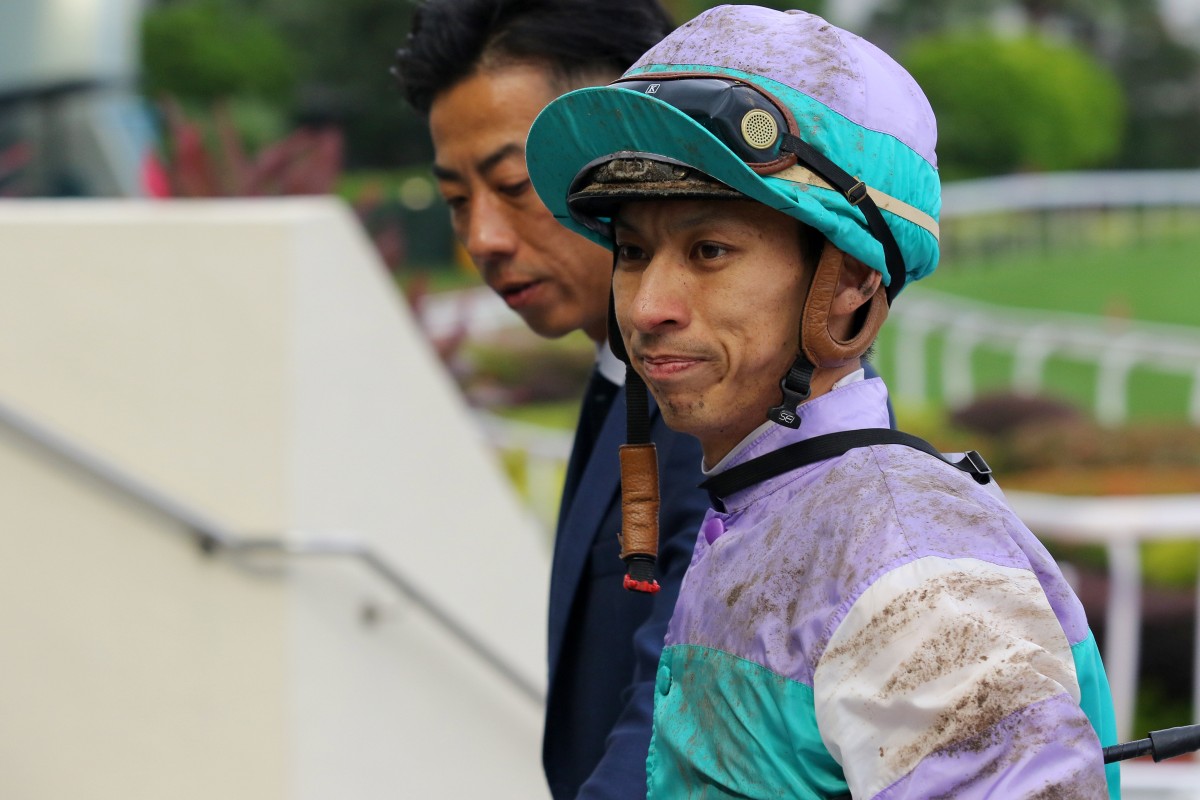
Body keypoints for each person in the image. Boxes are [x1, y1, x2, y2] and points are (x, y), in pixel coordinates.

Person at [526, 5, 1120, 798]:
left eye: (709, 251)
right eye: (634, 252)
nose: (647, 305)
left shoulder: (908, 562)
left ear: (850, 285)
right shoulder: (776, 505)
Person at [391, 3, 709, 798]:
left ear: (636, 156)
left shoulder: (730, 425)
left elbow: (669, 732)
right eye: (458, 199)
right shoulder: (620, 377)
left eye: (511, 184)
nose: (484, 238)